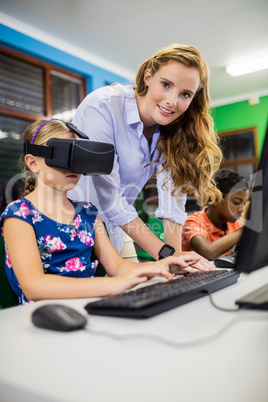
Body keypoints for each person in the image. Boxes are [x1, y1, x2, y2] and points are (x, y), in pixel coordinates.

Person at [0, 119, 211, 306]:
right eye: (66, 157)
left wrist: (161, 266)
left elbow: (117, 265)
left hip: (91, 306)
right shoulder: (19, 214)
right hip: (45, 316)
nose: (74, 167)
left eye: (79, 157)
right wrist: (113, 285)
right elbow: (34, 286)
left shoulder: (87, 212)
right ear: (33, 162)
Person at [68, 43, 222, 268]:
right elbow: (110, 199)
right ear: (148, 76)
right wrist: (167, 255)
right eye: (166, 84)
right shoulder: (103, 106)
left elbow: (172, 201)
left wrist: (178, 259)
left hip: (118, 230)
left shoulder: (173, 128)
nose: (172, 101)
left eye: (185, 94)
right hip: (73, 229)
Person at [181, 169, 249, 260]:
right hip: (192, 273)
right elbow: (208, 252)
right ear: (216, 198)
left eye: (244, 203)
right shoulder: (192, 222)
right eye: (236, 202)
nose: (242, 209)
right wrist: (245, 230)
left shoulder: (233, 224)